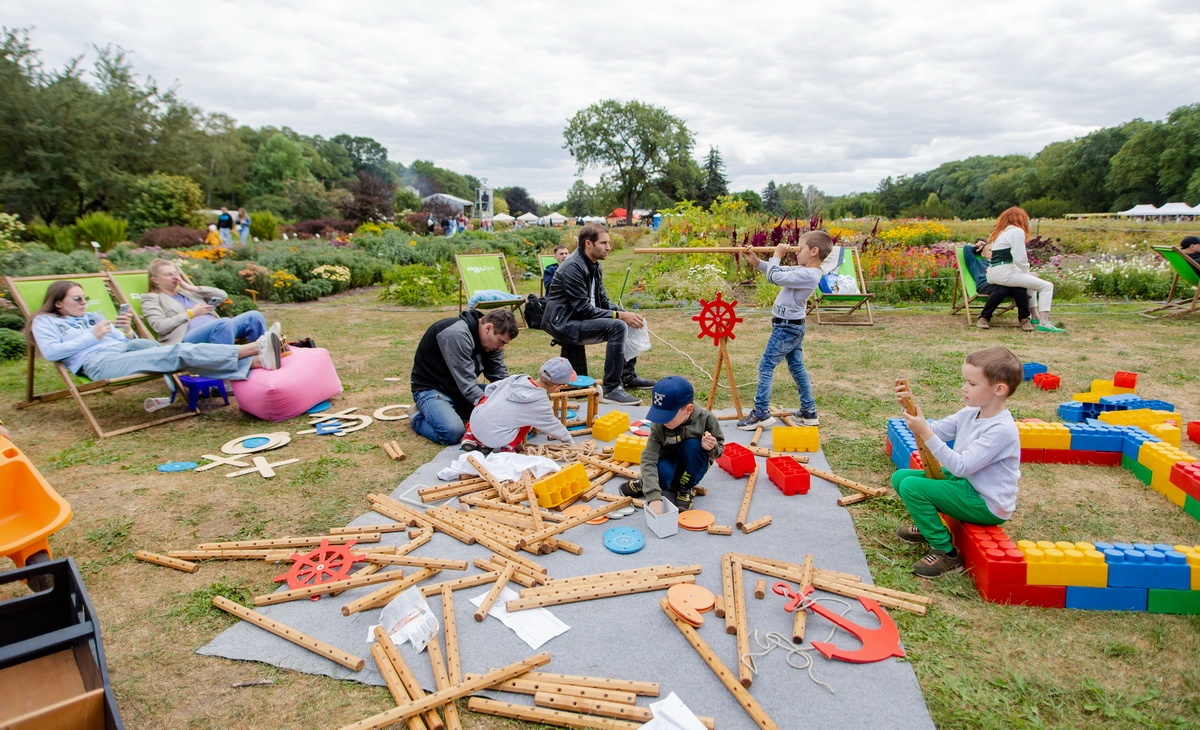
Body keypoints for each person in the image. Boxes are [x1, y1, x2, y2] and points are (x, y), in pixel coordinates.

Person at [891, 346, 1023, 577]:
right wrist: (912, 412)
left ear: (999, 389)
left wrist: (925, 432)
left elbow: (961, 465)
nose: (964, 388)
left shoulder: (1001, 429)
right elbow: (936, 430)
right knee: (901, 477)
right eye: (965, 381)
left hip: (986, 502)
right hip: (967, 486)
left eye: (972, 384)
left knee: (913, 487)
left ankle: (947, 553)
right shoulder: (971, 412)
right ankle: (929, 527)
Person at [27, 281, 280, 385]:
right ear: (58, 303)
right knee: (178, 352)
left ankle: (255, 360)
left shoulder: (92, 317)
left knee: (179, 354)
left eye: (85, 298)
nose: (84, 303)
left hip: (125, 349)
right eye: (77, 299)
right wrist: (91, 337)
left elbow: (127, 341)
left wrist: (124, 330)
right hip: (98, 363)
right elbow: (50, 353)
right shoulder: (45, 322)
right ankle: (253, 350)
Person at [542, 223, 655, 406]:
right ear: (589, 244)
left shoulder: (594, 266)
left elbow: (601, 301)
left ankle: (627, 376)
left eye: (608, 243)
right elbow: (583, 309)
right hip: (563, 323)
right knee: (618, 325)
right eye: (603, 243)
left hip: (577, 318)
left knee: (628, 318)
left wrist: (624, 313)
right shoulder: (573, 267)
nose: (609, 247)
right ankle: (611, 389)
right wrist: (620, 317)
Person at [736, 231, 833, 431]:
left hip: (786, 327)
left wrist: (778, 254)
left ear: (814, 251)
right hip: (791, 326)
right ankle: (808, 411)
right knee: (797, 368)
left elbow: (775, 276)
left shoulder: (809, 274)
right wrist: (756, 261)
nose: (797, 251)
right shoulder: (803, 270)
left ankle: (761, 412)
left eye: (801, 247)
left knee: (765, 366)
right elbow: (775, 270)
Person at [409, 309, 518, 445]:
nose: (501, 347)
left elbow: (499, 375)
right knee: (452, 432)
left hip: (458, 389)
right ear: (488, 328)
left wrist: (511, 399)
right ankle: (417, 416)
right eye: (500, 341)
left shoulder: (492, 343)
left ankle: (449, 410)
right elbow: (467, 383)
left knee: (504, 404)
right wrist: (490, 408)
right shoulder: (455, 334)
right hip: (432, 389)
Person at [620, 376, 724, 513]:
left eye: (667, 416)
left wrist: (712, 447)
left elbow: (719, 451)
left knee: (694, 446)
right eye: (658, 414)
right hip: (668, 459)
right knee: (662, 476)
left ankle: (685, 488)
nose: (662, 420)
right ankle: (644, 482)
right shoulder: (659, 424)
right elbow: (648, 458)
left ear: (688, 409)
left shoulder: (706, 419)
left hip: (690, 463)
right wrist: (653, 497)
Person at [140, 259, 270, 346]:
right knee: (223, 323)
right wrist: (190, 313)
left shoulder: (187, 292)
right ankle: (224, 376)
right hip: (187, 338)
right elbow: (159, 326)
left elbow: (222, 295)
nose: (175, 277)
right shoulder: (151, 298)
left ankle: (265, 356)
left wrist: (191, 288)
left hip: (221, 329)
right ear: (155, 280)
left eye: (176, 273)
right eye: (168, 274)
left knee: (254, 316)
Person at [460, 356, 576, 453]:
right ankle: (508, 448)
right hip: (495, 439)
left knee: (485, 400)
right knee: (527, 420)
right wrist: (572, 444)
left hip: (475, 424)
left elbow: (490, 388)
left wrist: (493, 402)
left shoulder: (516, 378)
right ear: (558, 386)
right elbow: (554, 426)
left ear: (540, 370)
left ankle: (470, 435)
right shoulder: (540, 404)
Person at [984, 207, 1063, 333]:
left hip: (994, 273)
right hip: (1005, 273)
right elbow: (1019, 258)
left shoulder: (999, 233)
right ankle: (1044, 322)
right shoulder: (1017, 232)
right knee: (1047, 286)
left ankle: (1035, 317)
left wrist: (1027, 274)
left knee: (1032, 279)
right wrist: (1025, 271)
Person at [964, 242, 1032, 330]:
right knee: (1001, 289)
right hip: (986, 285)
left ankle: (1024, 319)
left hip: (1006, 284)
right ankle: (984, 318)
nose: (994, 252)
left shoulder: (1004, 264)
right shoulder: (977, 263)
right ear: (982, 254)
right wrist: (977, 247)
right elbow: (966, 249)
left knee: (1020, 289)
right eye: (990, 250)